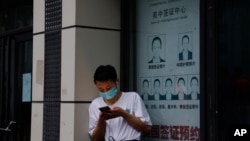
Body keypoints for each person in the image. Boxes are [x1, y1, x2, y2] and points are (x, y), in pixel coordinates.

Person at [88, 65, 152, 141]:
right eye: (101, 89)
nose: (105, 92)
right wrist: (101, 120)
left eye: (108, 88)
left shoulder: (133, 98)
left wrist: (123, 114)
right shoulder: (95, 104)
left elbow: (147, 129)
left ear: (117, 81)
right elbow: (95, 138)